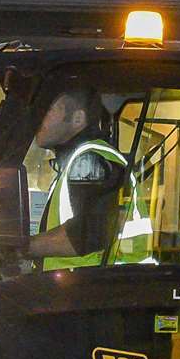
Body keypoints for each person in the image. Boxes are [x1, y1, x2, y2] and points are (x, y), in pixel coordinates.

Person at [28, 81, 129, 270]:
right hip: (86, 288)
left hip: (93, 290)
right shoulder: (81, 159)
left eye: (50, 110)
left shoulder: (89, 161)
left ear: (77, 119)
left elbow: (89, 234)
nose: (40, 117)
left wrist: (19, 247)